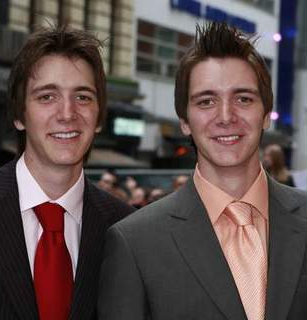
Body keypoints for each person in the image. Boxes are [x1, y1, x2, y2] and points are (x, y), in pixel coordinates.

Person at [98, 22, 307, 320]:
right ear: (184, 121)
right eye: (206, 101)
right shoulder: (135, 243)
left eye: (243, 99)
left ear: (266, 114)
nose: (226, 117)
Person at [0, 25, 134, 319]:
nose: (67, 114)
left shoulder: (128, 232)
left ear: (99, 117)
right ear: (19, 115)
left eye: (82, 97)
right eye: (47, 97)